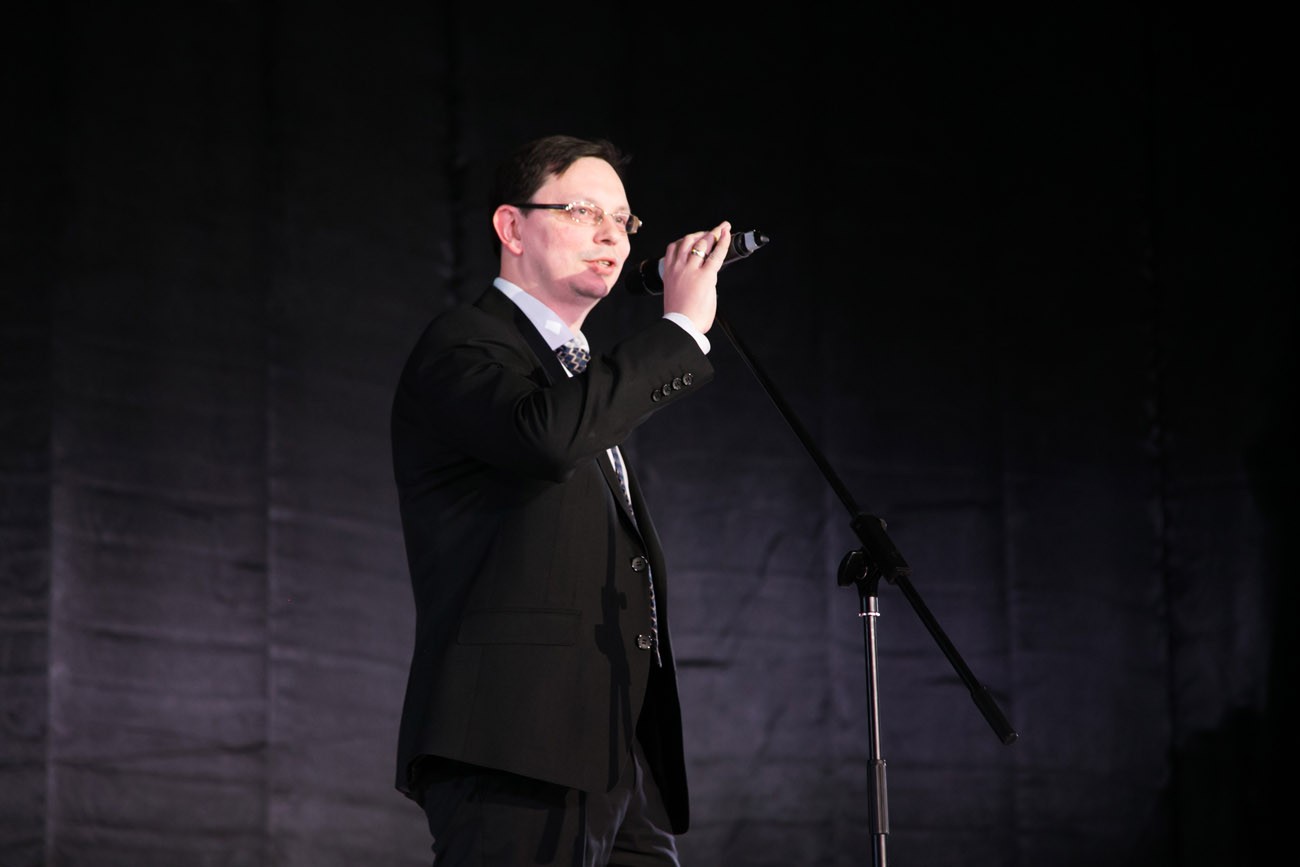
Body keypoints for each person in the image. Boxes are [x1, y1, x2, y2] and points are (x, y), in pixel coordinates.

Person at [390, 133, 732, 865]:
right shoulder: (465, 343)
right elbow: (543, 438)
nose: (612, 235)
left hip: (613, 747)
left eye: (623, 220)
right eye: (583, 211)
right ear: (512, 228)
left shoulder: (577, 377)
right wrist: (678, 330)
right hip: (516, 739)